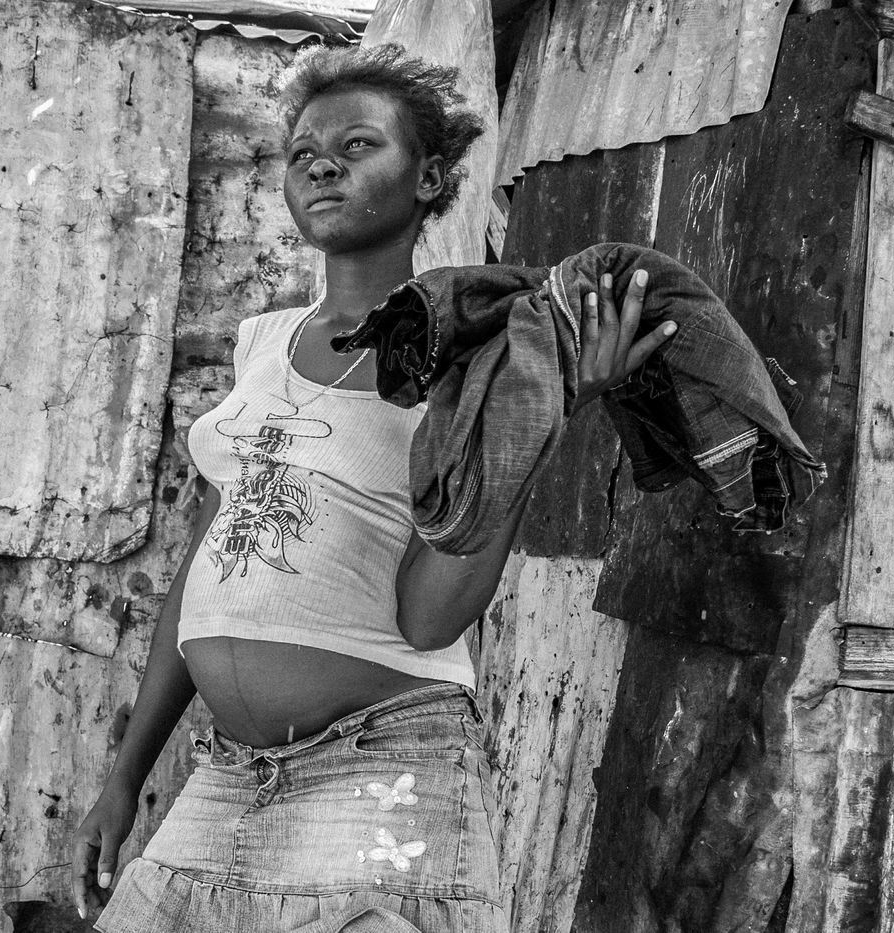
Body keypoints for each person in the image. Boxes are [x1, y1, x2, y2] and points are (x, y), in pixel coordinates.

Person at [71, 42, 674, 932]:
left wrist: (539, 414)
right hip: (226, 778)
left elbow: (430, 619)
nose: (322, 164)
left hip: (378, 772)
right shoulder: (263, 343)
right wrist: (126, 774)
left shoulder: (472, 355)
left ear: (429, 178)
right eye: (304, 151)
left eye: (357, 145)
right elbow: (206, 568)